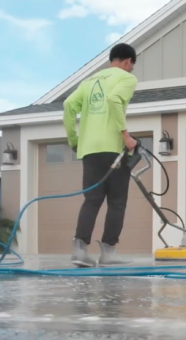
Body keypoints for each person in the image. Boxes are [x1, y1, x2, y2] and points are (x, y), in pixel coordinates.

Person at [63, 43, 139, 267]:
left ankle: (79, 251)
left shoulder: (88, 82)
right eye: (130, 66)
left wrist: (74, 140)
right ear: (127, 61)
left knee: (92, 200)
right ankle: (108, 253)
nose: (130, 70)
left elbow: (68, 105)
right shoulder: (126, 79)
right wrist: (126, 136)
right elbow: (114, 100)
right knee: (117, 202)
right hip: (113, 148)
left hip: (89, 149)